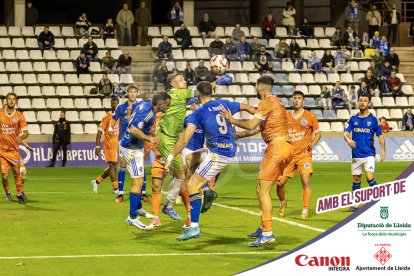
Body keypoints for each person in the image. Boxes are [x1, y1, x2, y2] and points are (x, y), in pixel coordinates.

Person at [164, 81, 250, 241]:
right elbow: (245, 106)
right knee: (190, 159)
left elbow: (183, 140)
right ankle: (207, 191)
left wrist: (170, 157)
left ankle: (194, 226)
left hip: (219, 153)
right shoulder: (223, 103)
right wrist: (259, 114)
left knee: (191, 185)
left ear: (198, 96)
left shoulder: (198, 113)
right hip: (221, 149)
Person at [221, 76, 293, 247]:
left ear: (259, 87)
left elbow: (251, 125)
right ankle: (263, 226)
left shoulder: (267, 101)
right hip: (282, 147)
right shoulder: (277, 103)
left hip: (277, 147)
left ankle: (268, 233)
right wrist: (236, 135)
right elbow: (258, 129)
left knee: (263, 190)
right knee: (260, 188)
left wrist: (233, 121)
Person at [154, 74, 233, 225]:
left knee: (186, 176)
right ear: (172, 83)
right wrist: (220, 81)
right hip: (171, 141)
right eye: (181, 79)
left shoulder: (173, 97)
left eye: (184, 78)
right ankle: (181, 208)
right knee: (182, 177)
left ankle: (184, 208)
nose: (184, 80)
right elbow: (203, 90)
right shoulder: (179, 93)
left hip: (177, 141)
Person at [123, 93, 171, 230]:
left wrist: (129, 121)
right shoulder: (148, 112)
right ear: (160, 105)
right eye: (167, 104)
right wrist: (149, 138)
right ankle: (132, 217)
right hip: (131, 147)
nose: (169, 106)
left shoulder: (145, 103)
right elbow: (133, 129)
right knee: (137, 181)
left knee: (141, 176)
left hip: (134, 146)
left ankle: (138, 208)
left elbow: (130, 108)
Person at [275, 91, 321, 219]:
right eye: (294, 98)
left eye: (299, 98)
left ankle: (305, 210)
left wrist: (313, 143)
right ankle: (283, 202)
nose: (296, 100)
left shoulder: (310, 116)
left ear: (303, 101)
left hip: (304, 155)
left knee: (306, 181)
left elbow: (318, 134)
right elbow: (282, 133)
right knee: (279, 184)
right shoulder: (286, 117)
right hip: (289, 156)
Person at [109, 86, 151, 206]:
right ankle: (121, 193)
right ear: (127, 93)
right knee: (122, 165)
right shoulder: (121, 107)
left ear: (137, 93)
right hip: (123, 140)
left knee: (140, 166)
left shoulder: (141, 107)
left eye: (134, 92)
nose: (132, 94)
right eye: (130, 92)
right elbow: (114, 118)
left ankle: (143, 193)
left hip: (138, 141)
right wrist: (111, 127)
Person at [344, 94, 386, 212]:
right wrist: (348, 140)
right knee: (356, 179)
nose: (362, 102)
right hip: (356, 154)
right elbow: (345, 133)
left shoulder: (373, 119)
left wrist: (383, 150)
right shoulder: (352, 118)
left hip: (368, 154)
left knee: (369, 177)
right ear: (358, 102)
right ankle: (355, 205)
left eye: (365, 101)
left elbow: (380, 136)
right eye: (361, 100)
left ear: (369, 103)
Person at [0, 93, 29, 204]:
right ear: (6, 100)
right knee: (5, 176)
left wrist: (20, 138)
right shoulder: (0, 113)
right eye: (9, 99)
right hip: (2, 151)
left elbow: (26, 132)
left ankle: (19, 193)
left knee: (18, 172)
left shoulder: (19, 115)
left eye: (13, 99)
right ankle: (7, 192)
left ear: (15, 101)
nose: (11, 101)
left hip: (13, 150)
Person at [91, 97, 120, 195]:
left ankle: (96, 182)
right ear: (111, 105)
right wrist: (97, 147)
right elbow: (99, 132)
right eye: (113, 103)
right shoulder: (107, 117)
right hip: (109, 144)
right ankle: (116, 189)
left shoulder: (120, 116)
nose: (115, 105)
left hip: (117, 144)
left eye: (116, 103)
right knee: (112, 165)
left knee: (114, 166)